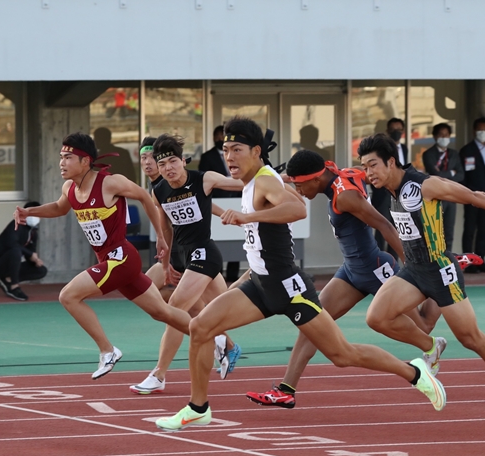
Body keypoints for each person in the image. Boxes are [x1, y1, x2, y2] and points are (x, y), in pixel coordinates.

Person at [154, 118, 446, 431]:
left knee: (342, 354)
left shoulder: (265, 180)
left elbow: (298, 209)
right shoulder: (251, 181)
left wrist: (246, 216)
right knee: (200, 328)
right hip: (260, 284)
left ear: (255, 151)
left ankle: (415, 373)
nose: (229, 156)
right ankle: (198, 407)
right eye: (225, 149)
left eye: (236, 149)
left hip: (289, 288)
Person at [246, 150, 444, 409]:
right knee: (310, 324)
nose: (297, 190)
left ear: (315, 179)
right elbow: (358, 173)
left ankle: (445, 273)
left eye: (299, 184)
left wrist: (414, 266)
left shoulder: (346, 196)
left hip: (374, 269)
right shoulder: (343, 173)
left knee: (425, 326)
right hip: (350, 272)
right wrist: (279, 177)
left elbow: (384, 226)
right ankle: (286, 389)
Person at [359, 133, 485, 423]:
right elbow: (340, 173)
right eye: (364, 167)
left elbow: (475, 197)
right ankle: (431, 346)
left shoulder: (427, 185)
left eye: (373, 165)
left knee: (471, 338)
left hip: (440, 271)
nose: (368, 173)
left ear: (391, 162)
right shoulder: (387, 186)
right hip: (413, 269)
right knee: (377, 318)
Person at [14, 132, 191, 380]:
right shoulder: (70, 188)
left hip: (121, 258)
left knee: (69, 296)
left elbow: (143, 195)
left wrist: (161, 236)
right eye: (60, 157)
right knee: (161, 312)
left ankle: (108, 351)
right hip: (108, 260)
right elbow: (59, 208)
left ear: (85, 161)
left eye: (68, 157)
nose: (61, 163)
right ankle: (215, 337)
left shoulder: (109, 183)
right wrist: (29, 211)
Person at [130, 134, 244, 395]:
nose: (168, 168)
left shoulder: (204, 179)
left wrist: (278, 179)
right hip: (181, 256)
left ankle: (159, 374)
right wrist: (167, 262)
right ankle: (226, 343)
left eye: (173, 161)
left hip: (204, 253)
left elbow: (241, 182)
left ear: (183, 161)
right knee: (212, 310)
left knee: (175, 309)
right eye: (163, 164)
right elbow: (167, 227)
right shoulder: (159, 190)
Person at [199, 125, 241, 282]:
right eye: (217, 136)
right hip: (216, 202)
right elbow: (203, 180)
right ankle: (218, 274)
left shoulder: (238, 156)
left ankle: (232, 275)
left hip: (238, 200)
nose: (219, 139)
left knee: (237, 239)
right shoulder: (207, 157)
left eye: (222, 136)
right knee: (219, 242)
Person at [460, 117, 485, 273]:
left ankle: (480, 261)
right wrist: (467, 194)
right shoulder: (467, 150)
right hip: (472, 197)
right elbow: (464, 175)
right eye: (480, 129)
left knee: (484, 230)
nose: (483, 132)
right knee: (469, 230)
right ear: (474, 131)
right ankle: (467, 263)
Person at [0, 201, 48, 301]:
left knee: (41, 270)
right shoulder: (15, 225)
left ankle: (7, 279)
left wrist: (35, 260)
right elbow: (11, 244)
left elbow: (31, 252)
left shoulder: (33, 232)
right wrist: (30, 254)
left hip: (11, 264)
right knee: (15, 251)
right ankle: (14, 286)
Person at [423, 123, 465, 252]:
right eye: (441, 135)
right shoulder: (428, 154)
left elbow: (461, 175)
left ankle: (448, 261)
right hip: (435, 198)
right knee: (435, 232)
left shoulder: (453, 154)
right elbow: (434, 175)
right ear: (435, 136)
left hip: (451, 197)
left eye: (446, 135)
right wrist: (452, 173)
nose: (444, 137)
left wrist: (445, 175)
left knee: (449, 231)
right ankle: (434, 261)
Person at [370, 117, 408, 253]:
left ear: (403, 131)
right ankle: (379, 262)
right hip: (384, 195)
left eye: (399, 130)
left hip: (400, 194)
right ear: (387, 131)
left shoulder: (404, 148)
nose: (396, 132)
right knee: (382, 229)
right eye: (393, 130)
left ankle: (395, 263)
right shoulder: (381, 150)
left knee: (399, 229)